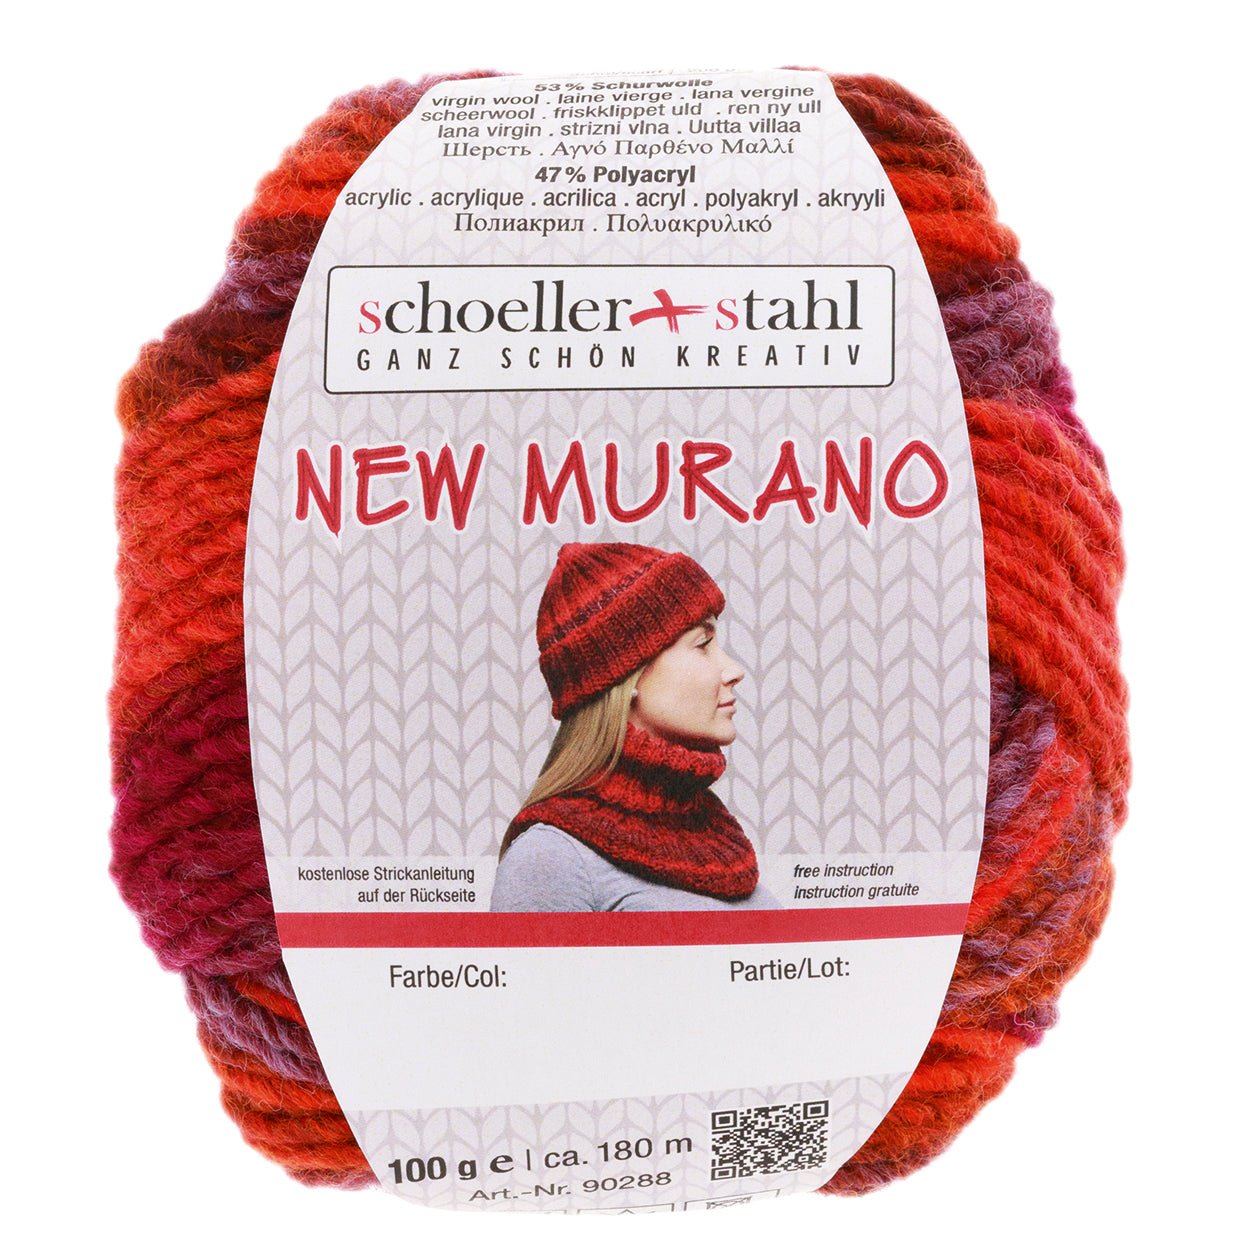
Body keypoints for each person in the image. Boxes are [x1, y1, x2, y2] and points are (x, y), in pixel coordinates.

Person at [490, 541, 778, 911]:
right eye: (703, 644)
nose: (734, 671)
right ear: (628, 674)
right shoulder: (549, 858)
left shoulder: (713, 832)